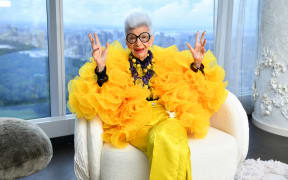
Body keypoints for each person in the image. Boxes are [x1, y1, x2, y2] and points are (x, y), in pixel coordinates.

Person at [68, 11, 227, 180]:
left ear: (151, 39)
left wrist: (196, 64)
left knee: (167, 137)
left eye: (143, 37)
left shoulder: (167, 58)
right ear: (127, 41)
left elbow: (194, 85)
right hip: (135, 122)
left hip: (167, 117)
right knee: (170, 143)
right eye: (132, 38)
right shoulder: (115, 62)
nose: (138, 43)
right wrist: (100, 69)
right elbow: (98, 98)